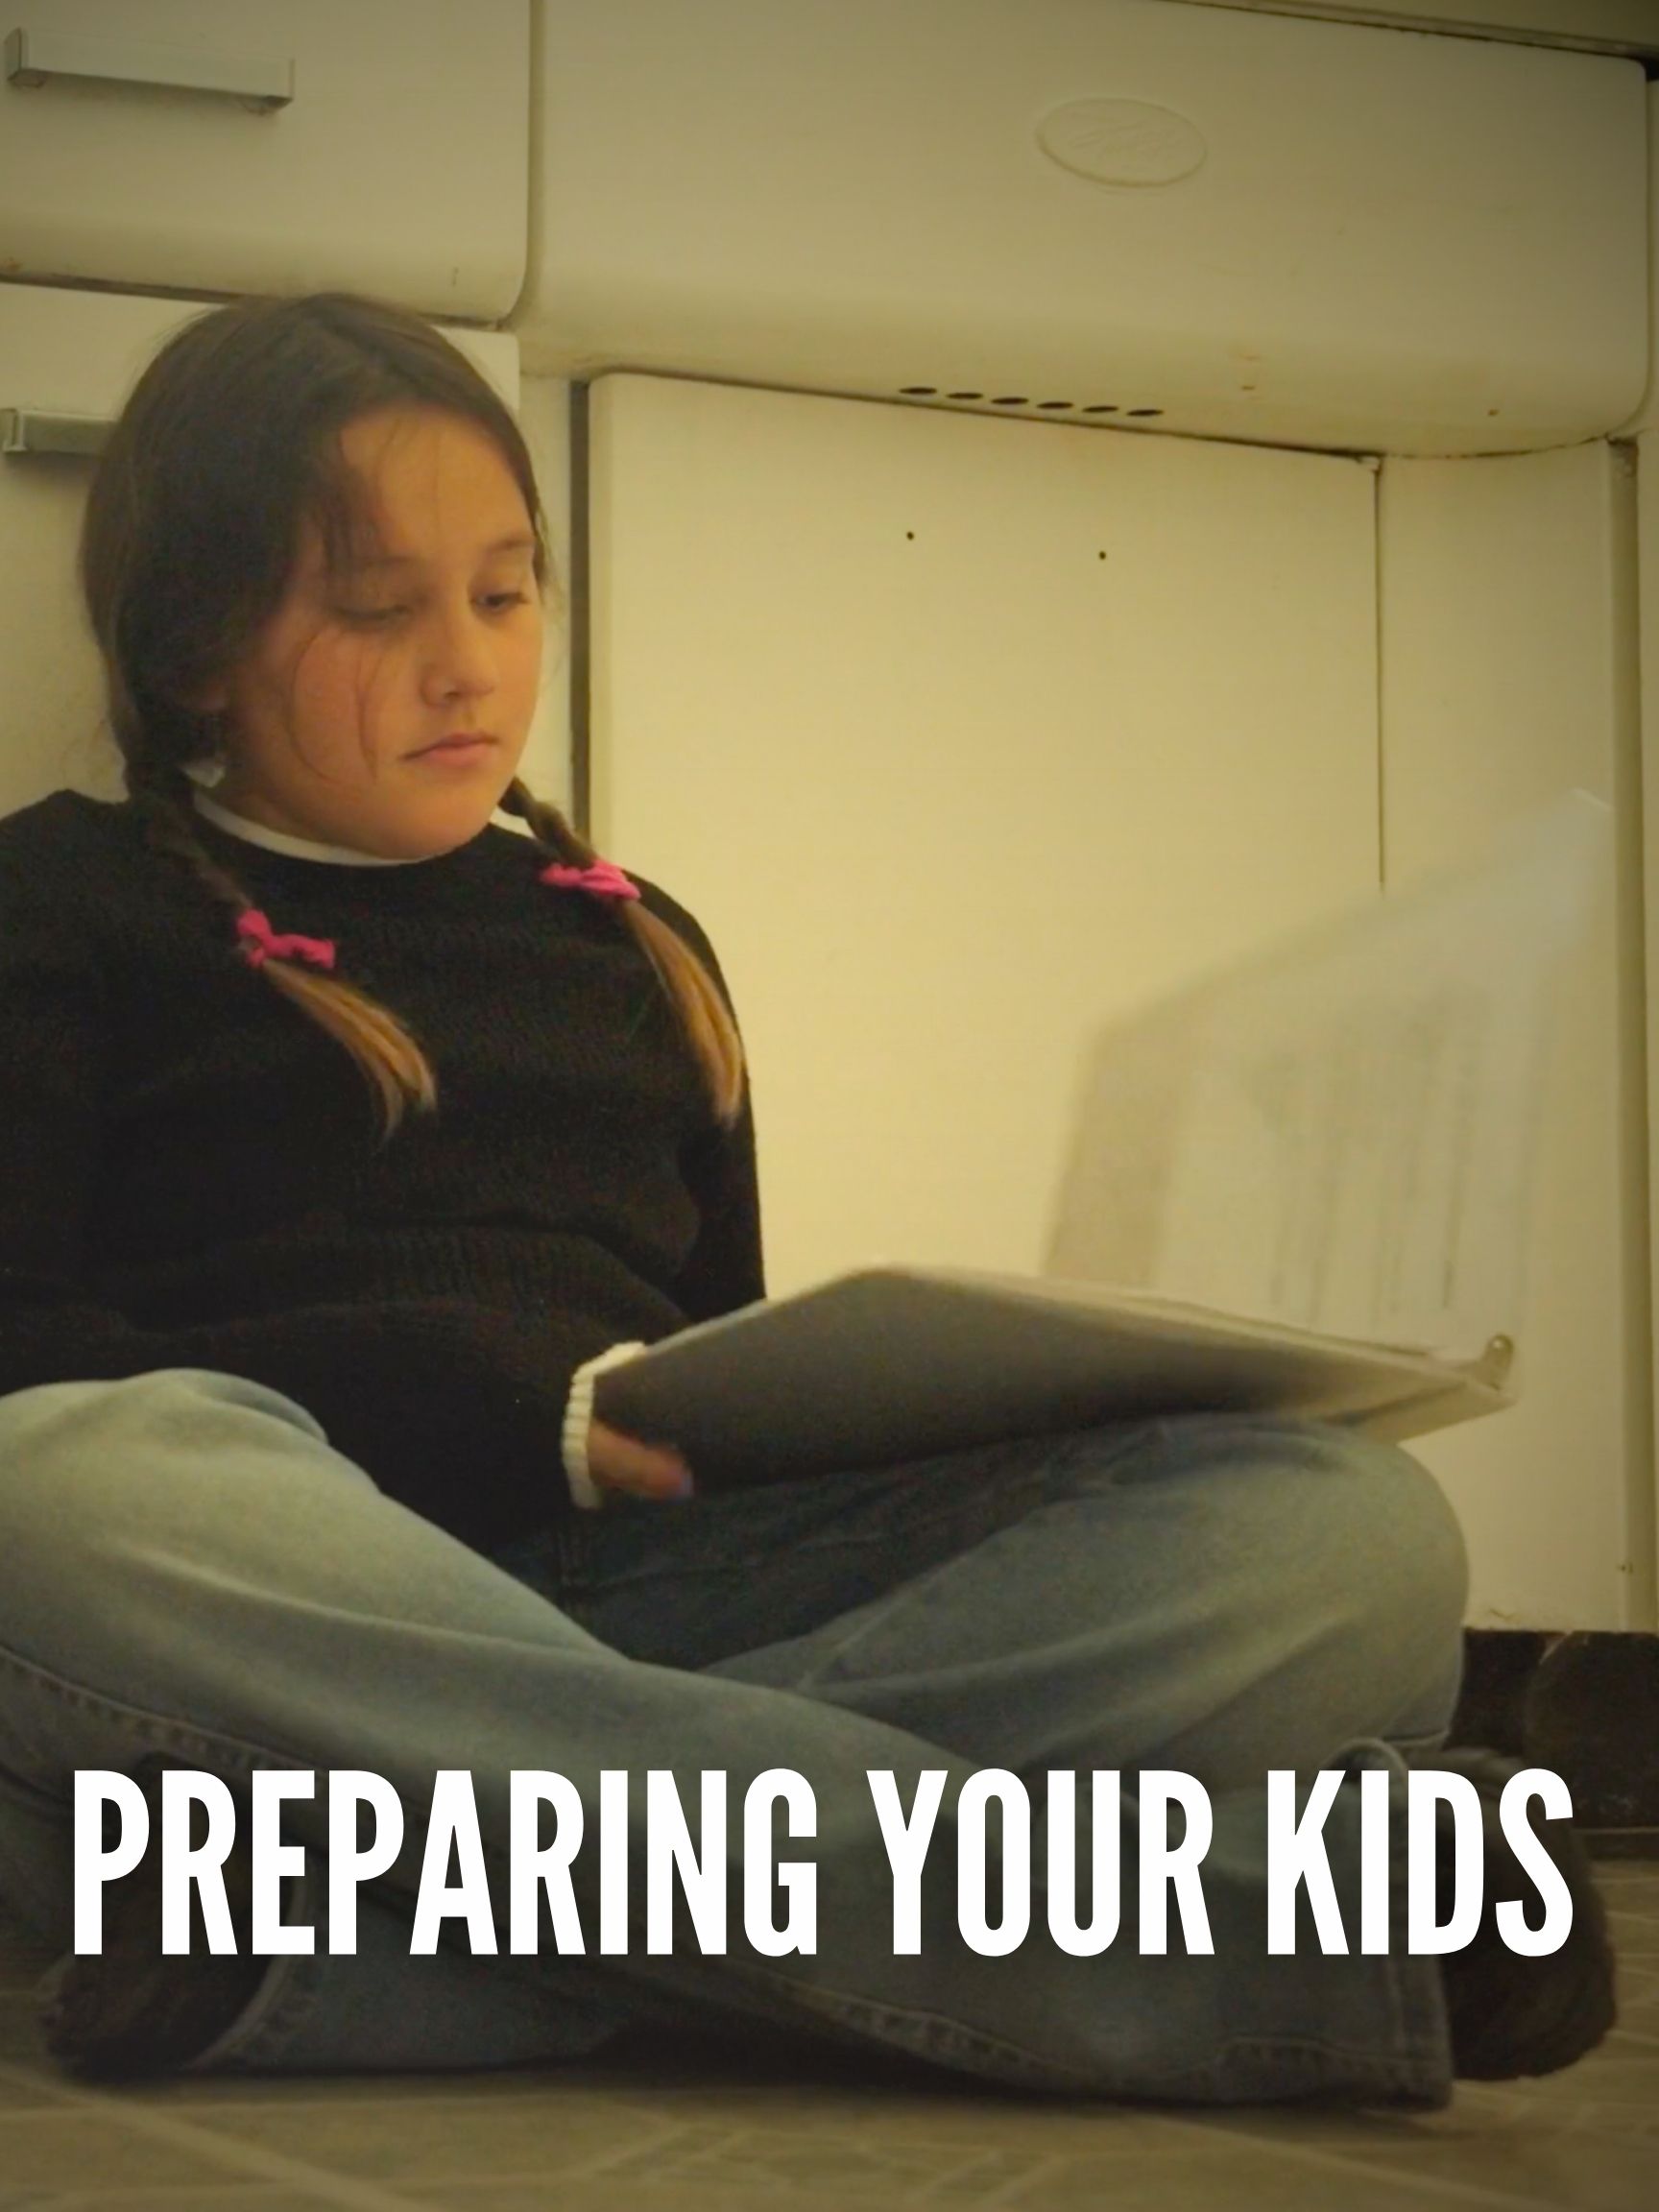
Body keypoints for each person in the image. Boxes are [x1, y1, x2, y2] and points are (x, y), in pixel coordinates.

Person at [0, 291, 1614, 2100]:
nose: (467, 666)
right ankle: (1243, 1934)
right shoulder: (57, 904)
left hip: (626, 1633)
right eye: (381, 611)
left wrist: (880, 1409)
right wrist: (504, 1413)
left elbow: (717, 1375)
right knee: (53, 1484)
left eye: (506, 596)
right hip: (292, 1623)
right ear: (195, 644)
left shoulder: (637, 948)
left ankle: (383, 1951)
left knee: (1355, 1535)